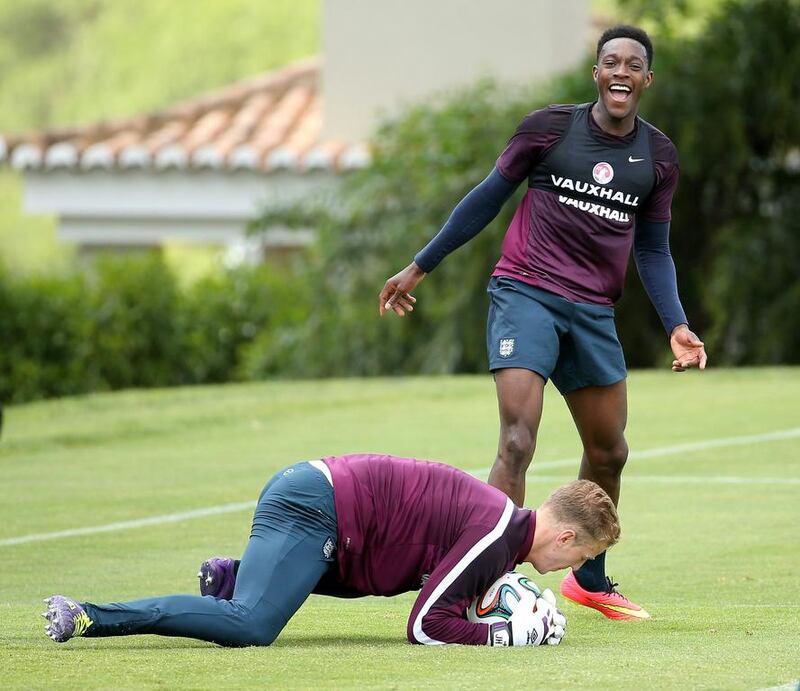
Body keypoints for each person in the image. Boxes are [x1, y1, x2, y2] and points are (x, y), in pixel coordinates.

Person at [378, 25, 707, 621]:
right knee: (516, 439)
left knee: (610, 452)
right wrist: (419, 266)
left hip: (593, 312)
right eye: (611, 62)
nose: (621, 74)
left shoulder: (657, 157)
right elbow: (486, 197)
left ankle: (591, 579)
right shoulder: (549, 129)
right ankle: (485, 583)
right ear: (596, 73)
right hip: (525, 292)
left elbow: (654, 249)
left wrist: (676, 324)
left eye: (633, 66)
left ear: (646, 81)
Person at [43, 454, 619, 648]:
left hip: (325, 512)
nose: (572, 569)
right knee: (252, 627)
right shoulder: (496, 531)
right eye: (580, 557)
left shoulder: (502, 531)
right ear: (566, 536)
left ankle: (231, 578)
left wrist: (504, 609)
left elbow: (454, 590)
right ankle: (91, 615)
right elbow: (424, 626)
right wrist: (502, 635)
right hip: (313, 505)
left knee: (359, 575)